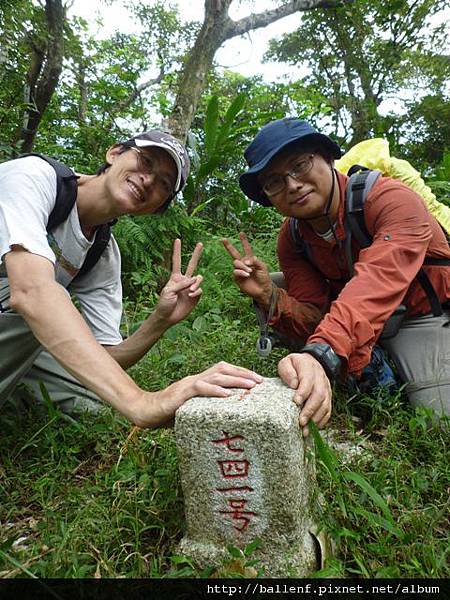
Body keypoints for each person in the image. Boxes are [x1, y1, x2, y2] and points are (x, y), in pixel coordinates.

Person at [0, 130, 262, 427]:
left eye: (163, 183)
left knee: (97, 400)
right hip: (19, 304)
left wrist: (160, 320)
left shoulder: (102, 252)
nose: (148, 179)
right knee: (35, 303)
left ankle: (15, 395)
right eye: (145, 160)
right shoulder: (34, 177)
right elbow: (31, 292)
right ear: (114, 153)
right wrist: (141, 401)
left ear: (156, 209)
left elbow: (106, 358)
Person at [223, 118, 450, 436]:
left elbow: (378, 279)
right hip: (353, 311)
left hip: (420, 312)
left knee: (439, 424)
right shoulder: (293, 237)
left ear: (328, 158)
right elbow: (313, 311)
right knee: (274, 282)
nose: (292, 185)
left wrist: (321, 353)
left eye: (300, 165)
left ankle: (373, 364)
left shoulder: (391, 199)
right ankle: (369, 363)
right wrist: (268, 296)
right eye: (274, 182)